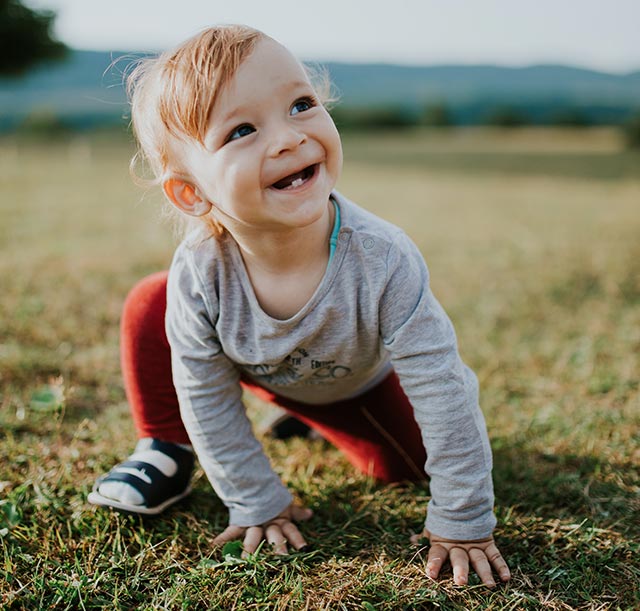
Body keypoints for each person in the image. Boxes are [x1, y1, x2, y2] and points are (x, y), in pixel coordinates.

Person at [88, 25, 511, 588]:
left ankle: (310, 414)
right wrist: (255, 500)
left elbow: (441, 386)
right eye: (241, 129)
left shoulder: (383, 258)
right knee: (152, 299)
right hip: (247, 365)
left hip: (347, 380)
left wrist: (463, 520)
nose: (288, 138)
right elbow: (204, 392)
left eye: (301, 104)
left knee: (402, 469)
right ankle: (163, 448)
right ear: (192, 193)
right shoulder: (202, 270)